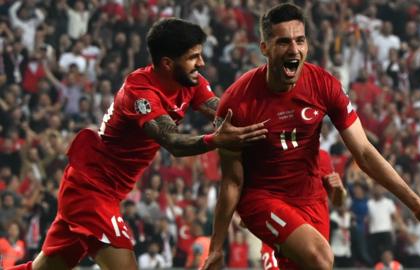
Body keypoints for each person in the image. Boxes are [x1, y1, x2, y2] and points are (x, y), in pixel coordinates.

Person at [203, 3, 420, 270]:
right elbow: (232, 181)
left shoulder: (324, 85)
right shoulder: (237, 102)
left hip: (312, 200)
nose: (294, 50)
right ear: (264, 48)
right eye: (283, 42)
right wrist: (215, 248)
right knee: (321, 259)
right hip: (262, 197)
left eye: (300, 41)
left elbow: (363, 152)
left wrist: (417, 205)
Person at [10, 18, 267, 270]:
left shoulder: (190, 81)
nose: (201, 63)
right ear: (167, 63)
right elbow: (174, 143)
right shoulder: (139, 91)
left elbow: (221, 111)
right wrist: (217, 139)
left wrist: (266, 122)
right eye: (193, 57)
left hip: (101, 190)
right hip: (91, 188)